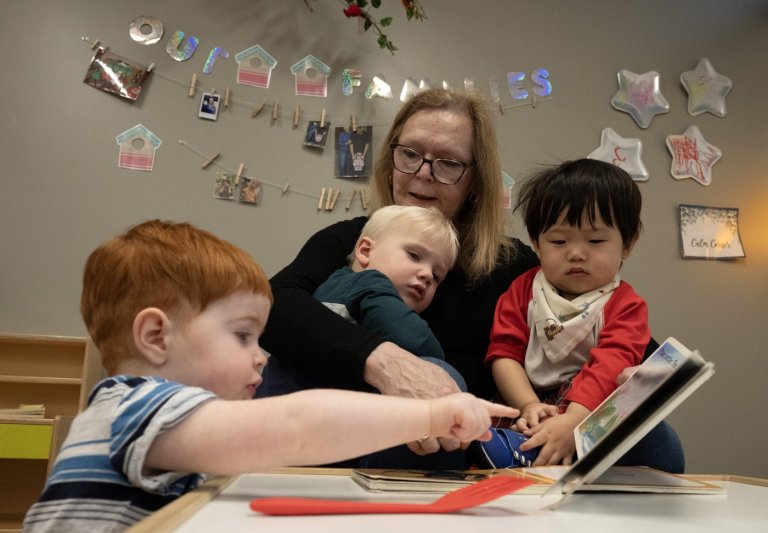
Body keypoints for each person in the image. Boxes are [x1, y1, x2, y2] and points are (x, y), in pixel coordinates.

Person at [259, 88, 683, 472]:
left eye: (447, 163)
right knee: (441, 379)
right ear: (391, 160)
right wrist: (386, 363)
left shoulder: (516, 264)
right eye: (410, 154)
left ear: (475, 181)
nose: (423, 172)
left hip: (495, 441)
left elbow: (620, 333)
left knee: (659, 443)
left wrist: (638, 377)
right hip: (376, 428)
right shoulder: (355, 239)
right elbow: (275, 305)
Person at [22, 220, 517, 532]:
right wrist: (432, 412)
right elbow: (300, 428)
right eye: (242, 336)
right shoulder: (138, 405)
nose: (260, 357)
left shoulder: (150, 415)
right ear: (155, 337)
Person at [485, 158, 680, 470]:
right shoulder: (522, 291)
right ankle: (515, 450)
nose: (576, 252)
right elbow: (504, 354)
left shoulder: (626, 305)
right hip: (527, 401)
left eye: (596, 240)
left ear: (627, 244)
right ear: (536, 243)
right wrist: (528, 405)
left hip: (587, 408)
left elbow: (610, 363)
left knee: (657, 448)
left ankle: (562, 457)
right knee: (493, 423)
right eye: (559, 241)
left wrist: (574, 420)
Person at [313, 204, 465, 388]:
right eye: (415, 256)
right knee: (442, 371)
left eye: (436, 275)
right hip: (306, 388)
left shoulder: (339, 283)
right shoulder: (369, 283)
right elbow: (416, 340)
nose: (426, 275)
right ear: (366, 251)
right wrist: (437, 353)